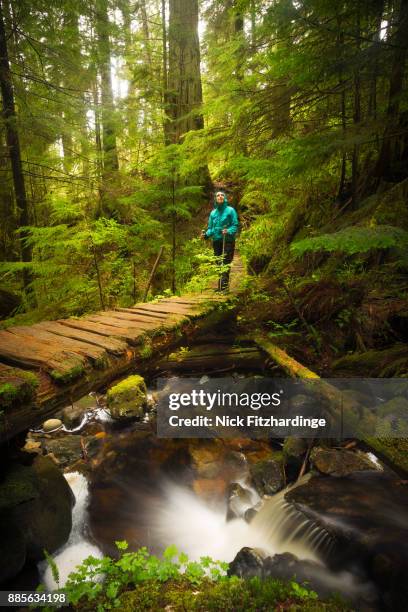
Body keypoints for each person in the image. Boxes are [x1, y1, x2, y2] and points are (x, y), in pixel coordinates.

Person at [202, 191, 239, 291]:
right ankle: (219, 286)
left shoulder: (230, 210)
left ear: (225, 198)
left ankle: (224, 287)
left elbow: (235, 225)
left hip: (228, 240)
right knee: (218, 262)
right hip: (217, 240)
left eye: (222, 195)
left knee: (226, 261)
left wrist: (228, 230)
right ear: (215, 198)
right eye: (218, 195)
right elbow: (210, 228)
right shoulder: (213, 213)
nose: (220, 196)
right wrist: (206, 235)